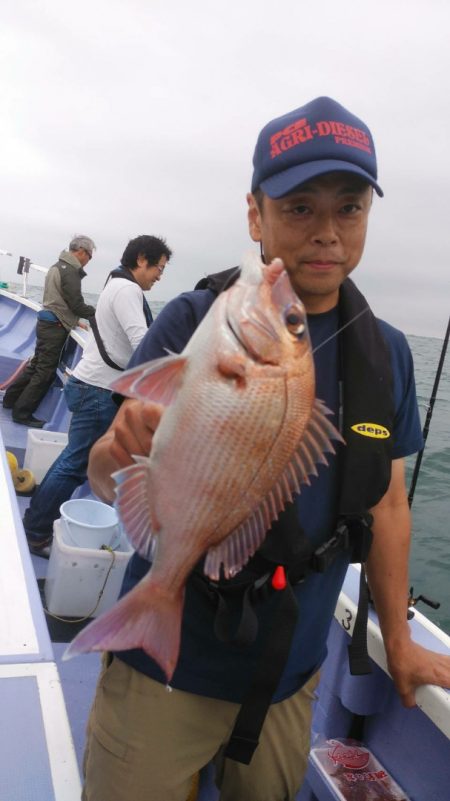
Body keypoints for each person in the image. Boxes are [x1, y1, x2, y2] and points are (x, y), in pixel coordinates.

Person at [81, 97, 450, 801]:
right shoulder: (195, 320)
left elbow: (391, 505)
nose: (327, 232)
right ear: (256, 215)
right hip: (165, 670)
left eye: (349, 207)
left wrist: (397, 640)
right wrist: (116, 448)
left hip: (291, 675)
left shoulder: (389, 355)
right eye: (299, 207)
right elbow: (108, 472)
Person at [22, 234, 172, 555]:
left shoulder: (114, 284)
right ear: (142, 260)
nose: (160, 275)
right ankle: (35, 531)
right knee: (75, 463)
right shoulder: (128, 290)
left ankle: (36, 519)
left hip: (91, 385)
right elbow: (141, 342)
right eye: (159, 268)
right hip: (98, 391)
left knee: (73, 460)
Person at [3, 234, 97, 427]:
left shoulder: (57, 266)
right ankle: (21, 413)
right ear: (81, 252)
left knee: (36, 365)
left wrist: (74, 320)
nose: (89, 260)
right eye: (90, 255)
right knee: (44, 372)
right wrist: (99, 315)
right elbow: (77, 304)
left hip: (46, 321)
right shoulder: (70, 271)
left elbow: (61, 300)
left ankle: (10, 400)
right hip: (55, 326)